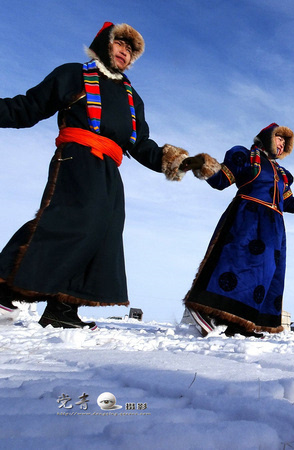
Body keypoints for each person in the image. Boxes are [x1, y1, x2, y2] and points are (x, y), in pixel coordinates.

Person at [0, 22, 190, 328]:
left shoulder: (131, 97)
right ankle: (5, 286)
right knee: (68, 220)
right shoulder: (74, 74)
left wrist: (178, 161)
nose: (125, 52)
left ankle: (63, 308)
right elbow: (28, 107)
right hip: (76, 156)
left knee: (103, 230)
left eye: (130, 49)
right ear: (104, 44)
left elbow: (140, 144)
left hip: (109, 168)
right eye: (120, 44)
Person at [179, 123, 294, 338]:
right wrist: (202, 164)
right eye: (278, 138)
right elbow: (222, 180)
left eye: (285, 141)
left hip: (273, 228)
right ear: (266, 137)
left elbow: (289, 203)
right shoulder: (244, 156)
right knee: (232, 263)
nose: (281, 144)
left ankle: (241, 324)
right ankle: (203, 310)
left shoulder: (283, 174)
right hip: (247, 219)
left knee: (263, 274)